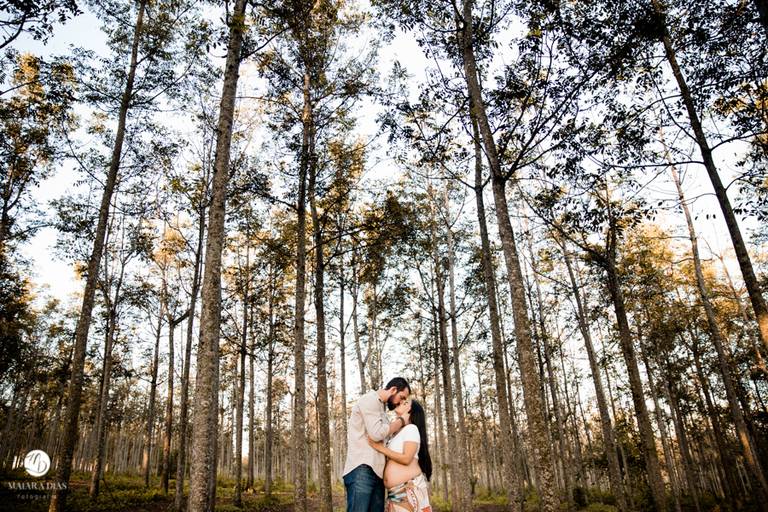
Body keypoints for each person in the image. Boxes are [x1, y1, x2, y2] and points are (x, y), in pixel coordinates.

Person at [343, 377, 412, 512]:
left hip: (378, 474)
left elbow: (385, 438)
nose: (401, 402)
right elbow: (376, 434)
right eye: (402, 397)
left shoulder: (382, 412)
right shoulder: (370, 399)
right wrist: (401, 421)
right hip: (362, 468)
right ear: (393, 390)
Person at [367, 399, 432, 512]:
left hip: (408, 490)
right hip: (395, 494)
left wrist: (380, 448)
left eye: (405, 403)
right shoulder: (397, 433)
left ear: (411, 411)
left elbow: (407, 458)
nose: (401, 403)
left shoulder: (411, 428)